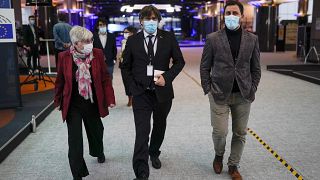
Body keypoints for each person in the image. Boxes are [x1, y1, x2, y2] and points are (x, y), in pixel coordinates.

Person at [121, 5, 185, 180]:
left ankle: (154, 151)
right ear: (141, 21)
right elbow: (125, 66)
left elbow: (180, 62)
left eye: (154, 19)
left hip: (162, 92)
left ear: (158, 20)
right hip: (141, 93)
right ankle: (141, 173)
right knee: (142, 131)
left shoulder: (168, 38)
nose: (151, 22)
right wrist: (132, 88)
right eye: (147, 19)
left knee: (159, 125)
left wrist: (168, 77)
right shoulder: (133, 41)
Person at [200, 1, 261, 180]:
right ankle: (219, 154)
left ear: (241, 16)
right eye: (228, 13)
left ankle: (233, 165)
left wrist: (253, 88)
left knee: (240, 132)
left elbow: (256, 68)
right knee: (220, 132)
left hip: (243, 94)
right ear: (223, 15)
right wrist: (208, 88)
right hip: (219, 93)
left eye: (235, 13)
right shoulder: (213, 38)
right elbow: (205, 67)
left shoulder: (252, 39)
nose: (231, 16)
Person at [54, 26, 115, 180]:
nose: (90, 44)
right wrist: (57, 100)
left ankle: (98, 151)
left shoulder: (97, 54)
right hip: (73, 103)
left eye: (91, 40)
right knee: (75, 141)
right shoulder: (64, 57)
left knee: (96, 131)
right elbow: (60, 80)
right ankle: (78, 174)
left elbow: (105, 78)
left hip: (92, 102)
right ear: (76, 43)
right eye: (86, 41)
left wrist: (110, 98)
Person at [119, 26, 137, 106]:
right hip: (123, 66)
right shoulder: (123, 42)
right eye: (124, 32)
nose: (125, 34)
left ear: (132, 33)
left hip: (133, 66)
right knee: (126, 83)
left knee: (133, 82)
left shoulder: (136, 42)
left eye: (127, 32)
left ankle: (135, 98)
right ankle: (129, 98)